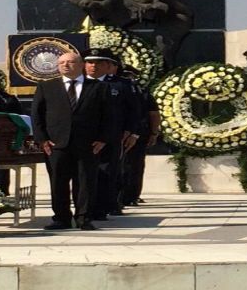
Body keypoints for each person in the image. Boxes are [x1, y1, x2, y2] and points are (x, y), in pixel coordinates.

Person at [31, 52, 111, 231]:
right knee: (58, 181)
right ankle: (61, 218)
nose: (66, 65)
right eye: (62, 62)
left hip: (88, 143)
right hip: (56, 144)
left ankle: (84, 217)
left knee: (85, 182)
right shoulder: (47, 86)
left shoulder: (98, 87)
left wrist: (103, 139)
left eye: (70, 62)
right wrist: (42, 139)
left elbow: (109, 115)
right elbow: (37, 115)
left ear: (81, 64)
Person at [84, 48, 139, 219]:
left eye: (99, 63)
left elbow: (134, 110)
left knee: (108, 172)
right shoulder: (77, 84)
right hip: (83, 136)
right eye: (90, 62)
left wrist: (133, 133)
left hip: (113, 136)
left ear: (109, 66)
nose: (93, 66)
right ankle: (84, 208)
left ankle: (102, 208)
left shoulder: (121, 84)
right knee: (83, 174)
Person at [120, 65, 160, 207]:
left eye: (129, 76)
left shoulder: (141, 92)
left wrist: (154, 133)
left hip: (139, 133)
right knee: (119, 167)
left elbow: (153, 113)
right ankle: (118, 197)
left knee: (134, 166)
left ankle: (132, 195)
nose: (127, 79)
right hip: (117, 132)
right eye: (124, 76)